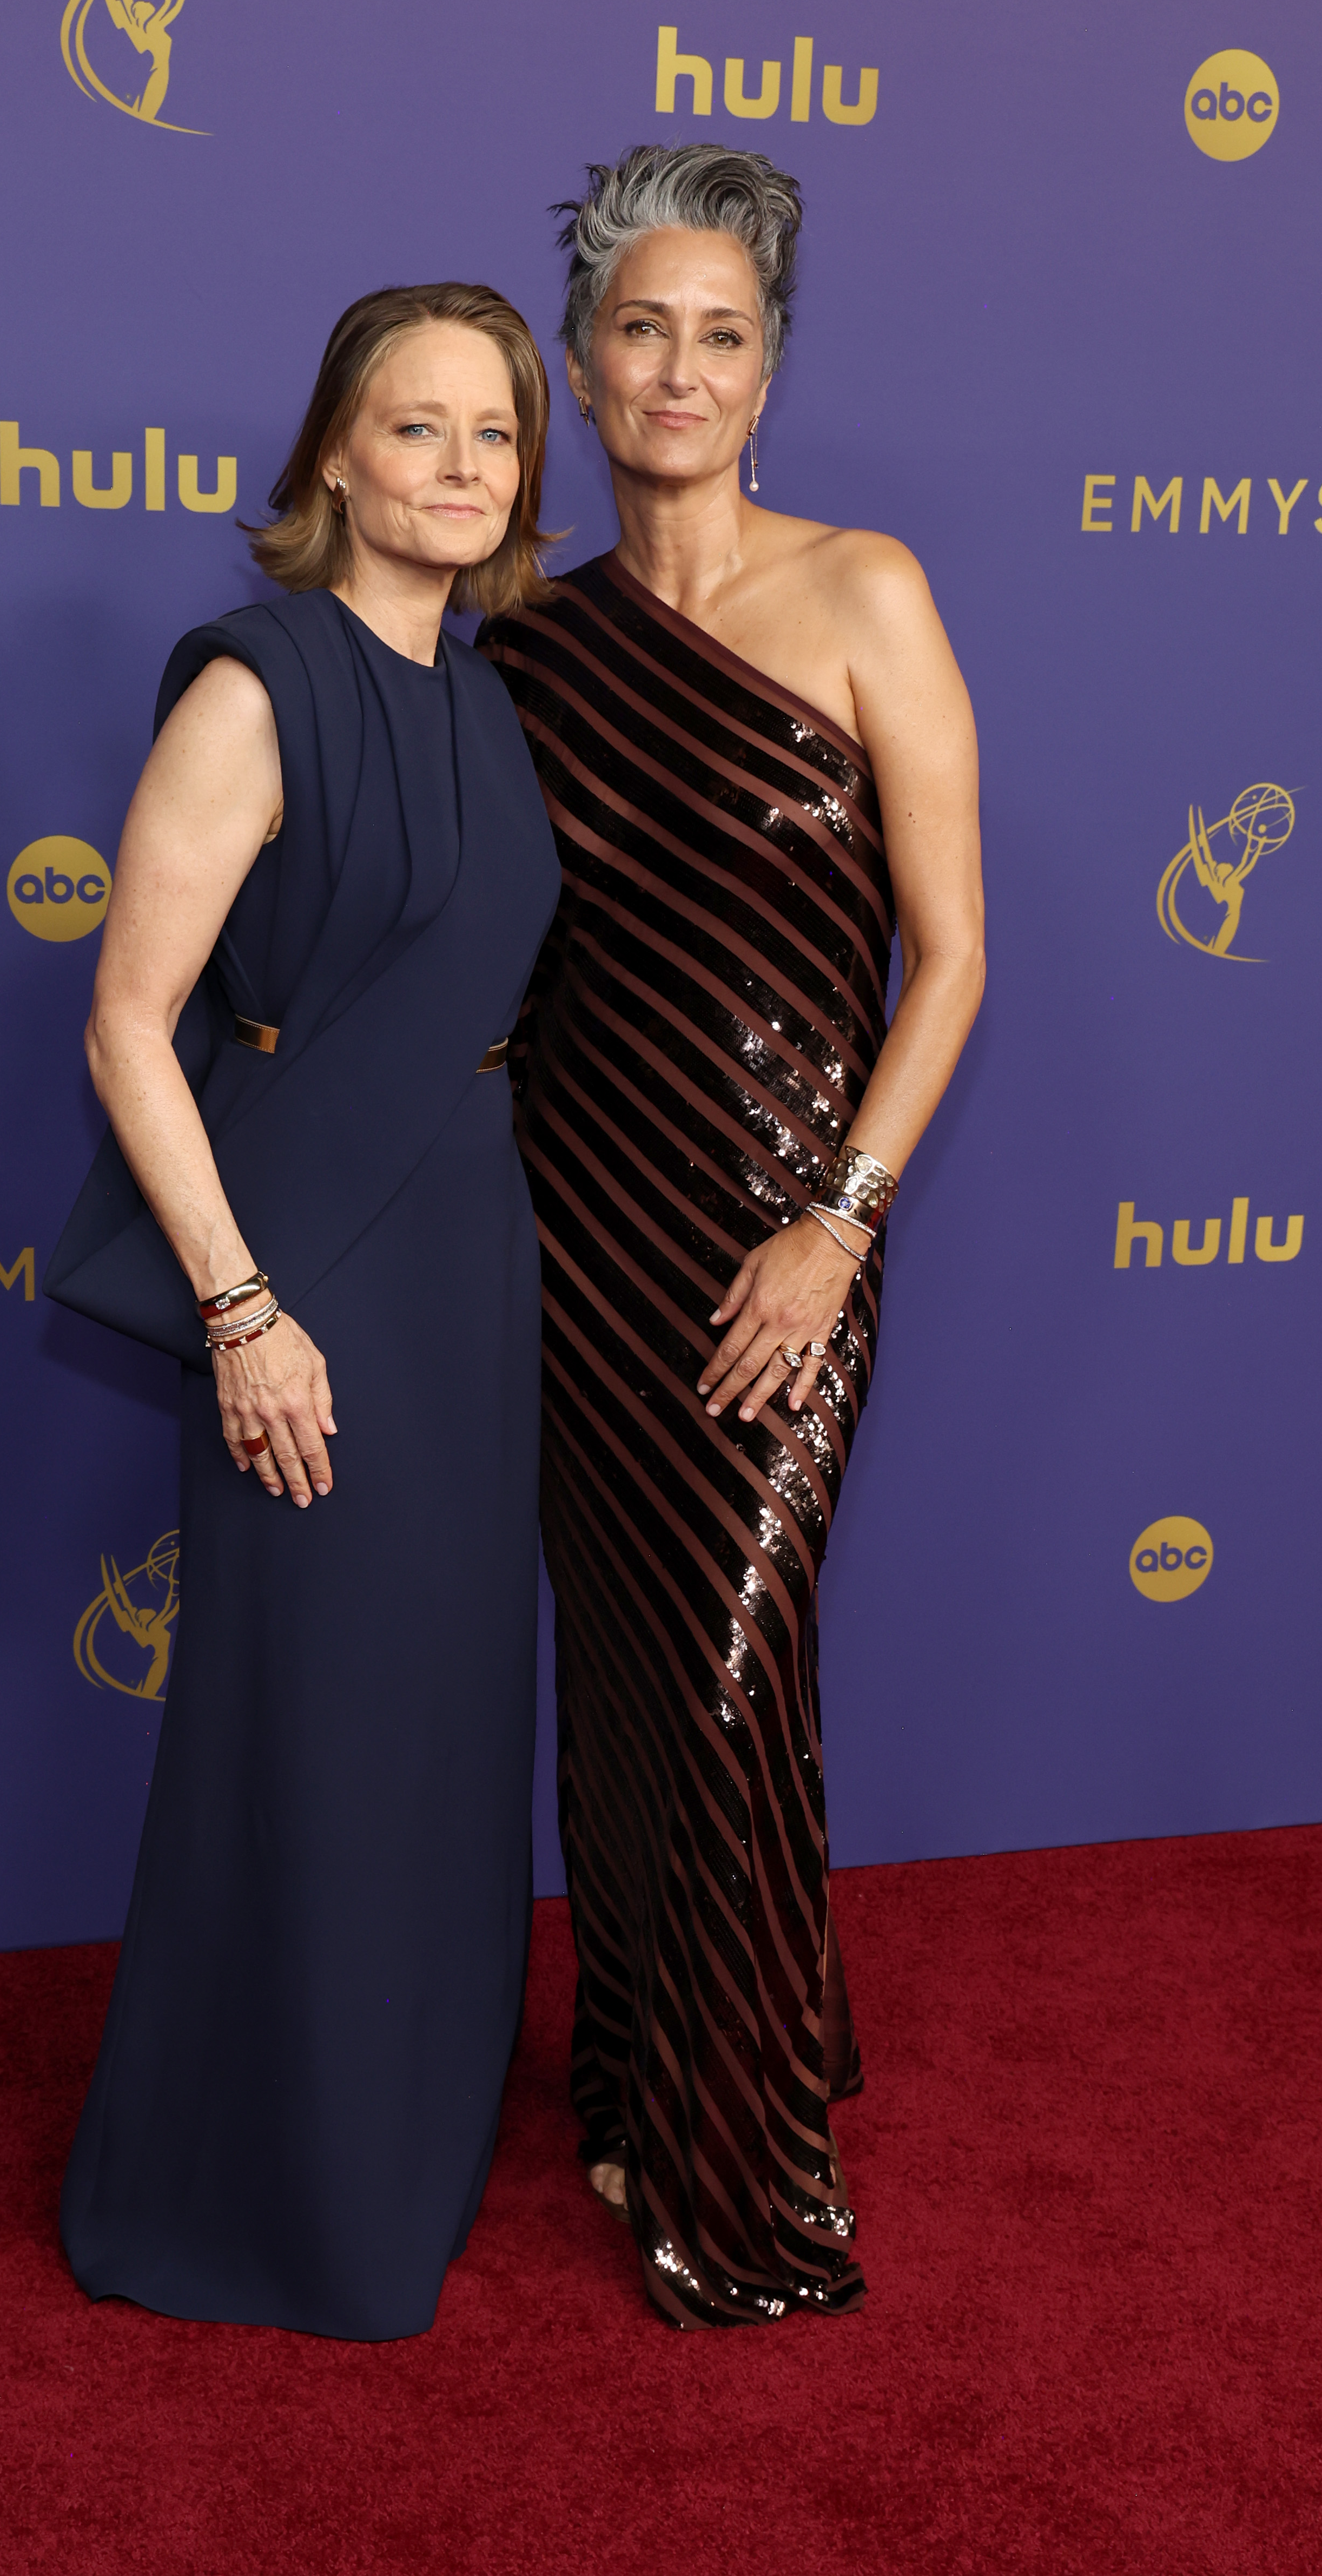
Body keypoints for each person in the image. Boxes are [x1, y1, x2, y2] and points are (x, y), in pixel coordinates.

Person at [481, 144, 985, 2329]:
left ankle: (738, 2140)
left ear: (768, 367)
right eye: (640, 330)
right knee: (620, 1686)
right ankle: (630, 2062)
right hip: (579, 1228)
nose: (678, 367)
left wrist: (839, 1231)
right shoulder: (526, 647)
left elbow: (952, 958)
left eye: (723, 333)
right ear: (582, 367)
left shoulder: (871, 587)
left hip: (792, 1230)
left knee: (730, 1668)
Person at [44, 284, 561, 2340]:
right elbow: (127, 1023)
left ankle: (406, 2145)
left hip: (469, 1261)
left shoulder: (490, 690)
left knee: (437, 1732)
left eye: (496, 437)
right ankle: (257, 2197)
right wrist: (244, 1309)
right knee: (315, 1734)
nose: (458, 469)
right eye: (416, 428)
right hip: (310, 1273)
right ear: (332, 454)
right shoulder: (258, 690)